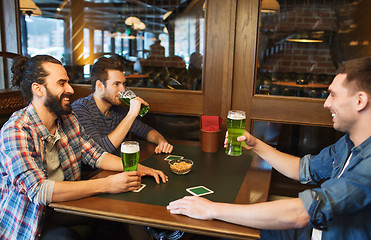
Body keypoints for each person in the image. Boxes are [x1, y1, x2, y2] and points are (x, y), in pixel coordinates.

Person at [167, 57, 371, 239]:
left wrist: (211, 209)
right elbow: (302, 169)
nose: (326, 104)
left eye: (333, 95)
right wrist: (255, 144)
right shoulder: (348, 143)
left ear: (360, 101)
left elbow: (300, 213)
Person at [0, 55, 168, 240]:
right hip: (32, 217)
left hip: (66, 203)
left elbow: (96, 154)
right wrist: (107, 184)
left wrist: (140, 168)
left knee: (119, 210)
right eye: (62, 83)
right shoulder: (16, 130)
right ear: (38, 89)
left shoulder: (67, 118)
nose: (70, 89)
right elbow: (39, 191)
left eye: (68, 83)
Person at [72, 56, 173, 156]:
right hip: (93, 172)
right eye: (116, 84)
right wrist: (131, 115)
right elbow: (99, 151)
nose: (123, 89)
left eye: (124, 84)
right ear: (99, 86)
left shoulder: (117, 110)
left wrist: (161, 142)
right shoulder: (81, 109)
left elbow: (146, 131)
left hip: (115, 168)